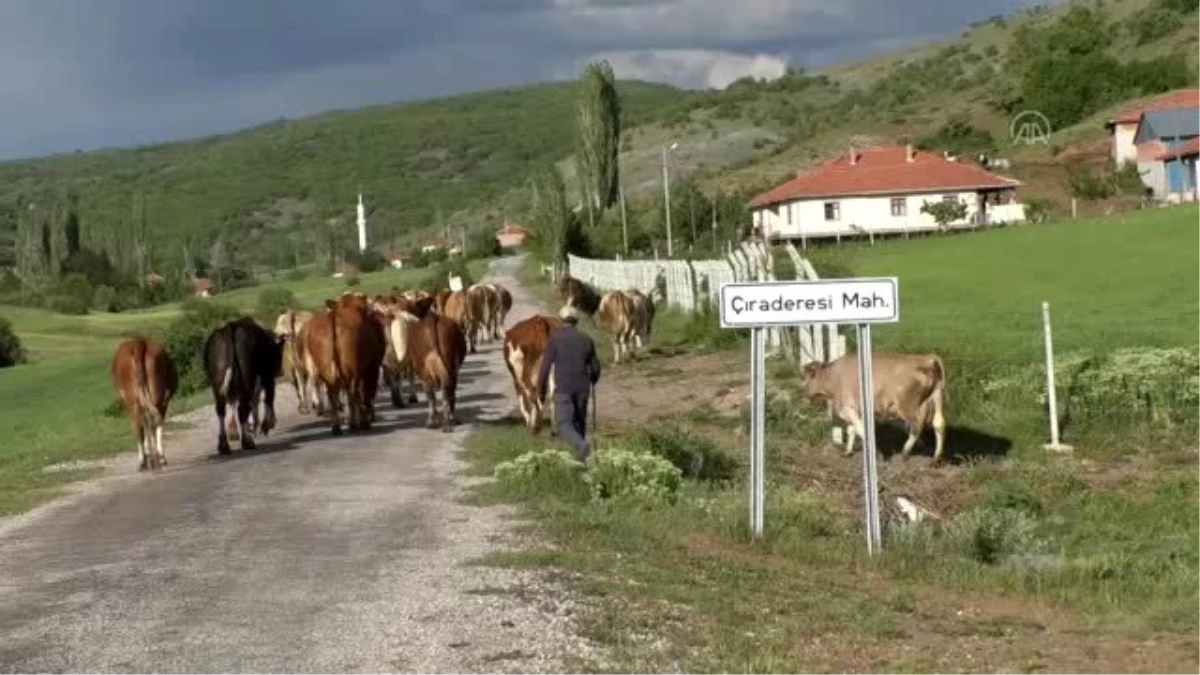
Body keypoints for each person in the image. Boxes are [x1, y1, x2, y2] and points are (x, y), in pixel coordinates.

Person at [537, 306, 602, 463]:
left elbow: (545, 368)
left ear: (560, 321)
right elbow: (596, 368)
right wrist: (592, 379)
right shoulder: (586, 339)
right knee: (579, 424)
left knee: (563, 425)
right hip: (583, 388)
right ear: (576, 321)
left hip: (563, 389)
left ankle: (582, 447)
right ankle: (582, 463)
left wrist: (541, 390)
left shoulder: (554, 339)